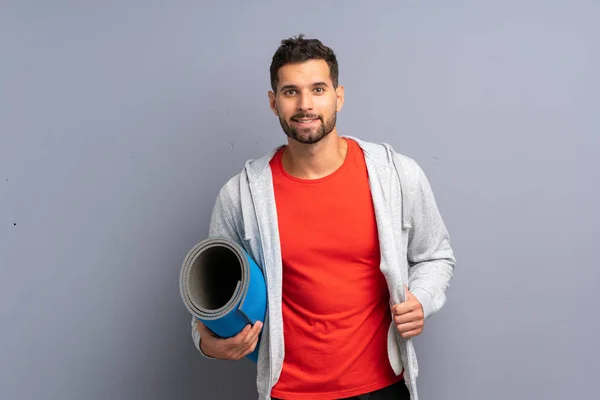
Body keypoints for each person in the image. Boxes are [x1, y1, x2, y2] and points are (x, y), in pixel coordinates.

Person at [190, 34, 456, 400]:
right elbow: (211, 294)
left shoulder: (394, 174)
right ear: (273, 102)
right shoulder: (242, 195)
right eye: (290, 92)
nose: (305, 105)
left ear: (338, 95)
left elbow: (436, 255)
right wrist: (208, 343)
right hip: (289, 392)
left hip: (381, 387)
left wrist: (421, 300)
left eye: (318, 89)